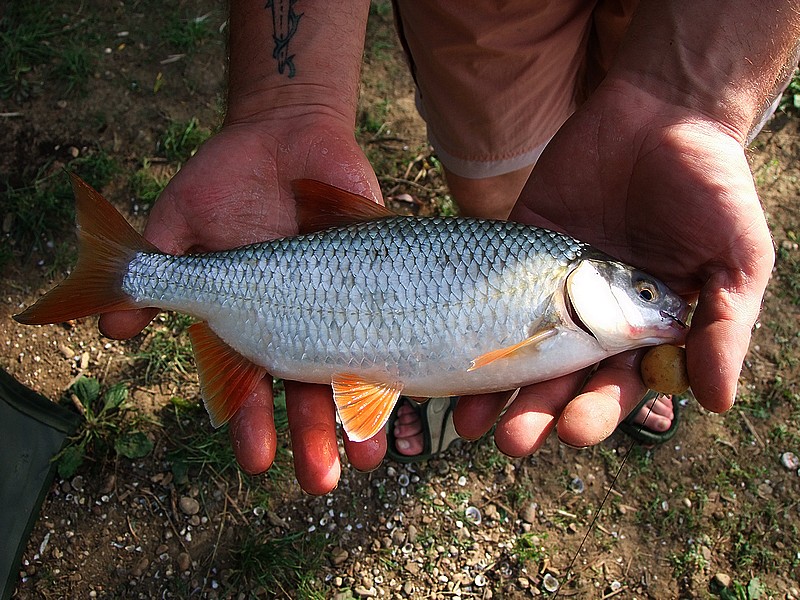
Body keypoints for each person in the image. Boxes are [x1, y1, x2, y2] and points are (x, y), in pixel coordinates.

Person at [100, 1, 798, 494]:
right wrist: (285, 104)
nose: (657, 301)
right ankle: (131, 274)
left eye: (648, 293)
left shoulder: (577, 315)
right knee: (493, 170)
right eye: (644, 292)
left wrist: (694, 101)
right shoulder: (564, 295)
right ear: (589, 280)